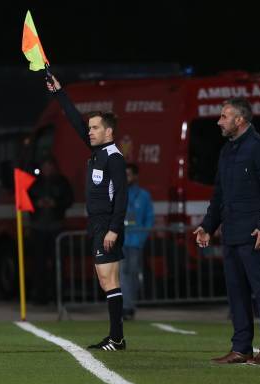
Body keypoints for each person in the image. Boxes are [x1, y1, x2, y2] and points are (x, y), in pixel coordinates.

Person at [193, 98, 260, 365]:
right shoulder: (227, 151)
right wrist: (208, 226)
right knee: (237, 295)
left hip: (255, 236)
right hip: (231, 235)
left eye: (223, 116)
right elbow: (219, 195)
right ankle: (241, 348)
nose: (219, 121)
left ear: (240, 120)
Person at [46, 74, 128, 351]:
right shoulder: (98, 152)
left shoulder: (114, 158)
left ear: (109, 132)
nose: (89, 131)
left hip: (106, 224)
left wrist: (114, 229)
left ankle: (116, 338)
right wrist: (59, 92)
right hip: (98, 224)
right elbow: (73, 121)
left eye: (95, 128)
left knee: (109, 279)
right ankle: (117, 337)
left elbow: (122, 196)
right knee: (106, 279)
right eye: (90, 128)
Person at [28, 156, 74, 304]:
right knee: (38, 264)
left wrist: (56, 203)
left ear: (53, 167)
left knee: (58, 263)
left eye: (49, 166)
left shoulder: (62, 182)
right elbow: (26, 200)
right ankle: (40, 296)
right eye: (44, 167)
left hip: (56, 227)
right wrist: (37, 204)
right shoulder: (34, 183)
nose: (46, 169)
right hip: (38, 228)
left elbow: (69, 199)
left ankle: (58, 296)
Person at [121, 163, 154, 320]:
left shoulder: (144, 195)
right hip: (120, 241)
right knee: (122, 274)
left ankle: (130, 305)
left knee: (133, 274)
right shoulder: (118, 193)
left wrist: (142, 237)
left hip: (135, 242)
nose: (125, 178)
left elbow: (149, 218)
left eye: (128, 174)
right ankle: (126, 307)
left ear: (135, 176)